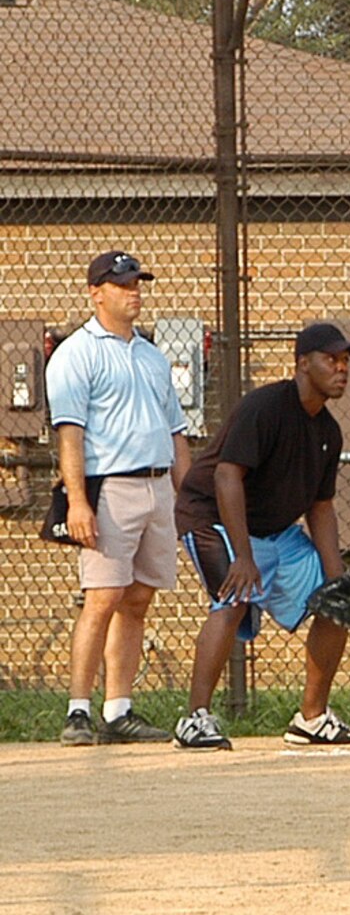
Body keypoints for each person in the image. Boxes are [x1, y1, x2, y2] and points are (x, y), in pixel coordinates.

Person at [171, 323, 350, 750]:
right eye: (330, 360)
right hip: (213, 517)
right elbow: (228, 477)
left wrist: (337, 578)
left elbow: (321, 507)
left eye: (345, 362)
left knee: (335, 602)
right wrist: (243, 556)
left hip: (275, 530)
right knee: (233, 596)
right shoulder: (264, 407)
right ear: (302, 364)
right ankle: (195, 719)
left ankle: (312, 719)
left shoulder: (328, 432)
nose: (341, 369)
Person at [44, 250, 192, 746]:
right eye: (123, 284)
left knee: (138, 598)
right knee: (102, 596)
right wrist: (78, 501)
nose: (135, 292)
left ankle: (118, 708)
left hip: (156, 485)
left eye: (137, 283)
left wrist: (187, 499)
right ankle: (78, 710)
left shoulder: (151, 355)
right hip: (110, 487)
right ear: (96, 292)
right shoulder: (76, 354)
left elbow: (176, 432)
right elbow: (71, 434)